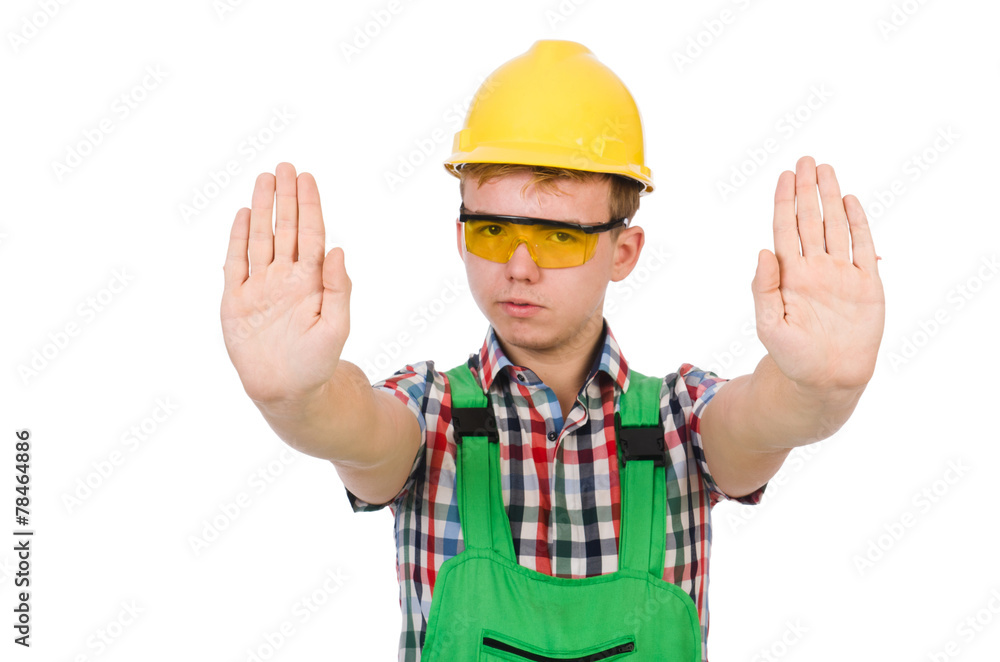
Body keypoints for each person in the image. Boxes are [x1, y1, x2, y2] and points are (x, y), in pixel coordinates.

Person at [220, 40, 885, 661]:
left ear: (623, 252)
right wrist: (298, 397)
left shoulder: (680, 421)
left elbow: (762, 419)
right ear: (460, 236)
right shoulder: (429, 414)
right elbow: (356, 430)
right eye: (491, 230)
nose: (519, 266)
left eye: (558, 237)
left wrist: (815, 388)